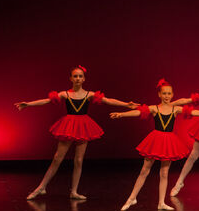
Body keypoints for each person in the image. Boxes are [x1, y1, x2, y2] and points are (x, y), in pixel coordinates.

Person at [14, 65, 138, 200]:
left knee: (79, 160)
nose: (78, 78)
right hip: (68, 125)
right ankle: (41, 187)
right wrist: (29, 104)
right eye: (75, 76)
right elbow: (46, 101)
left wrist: (126, 104)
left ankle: (74, 191)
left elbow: (108, 100)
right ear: (71, 79)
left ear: (84, 79)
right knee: (57, 158)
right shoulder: (65, 94)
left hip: (83, 126)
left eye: (80, 76)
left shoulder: (89, 94)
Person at [110, 79, 199, 211]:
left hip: (168, 142)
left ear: (172, 95)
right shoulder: (154, 108)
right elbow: (138, 112)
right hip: (155, 140)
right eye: (164, 94)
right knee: (144, 170)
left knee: (164, 172)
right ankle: (132, 198)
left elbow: (194, 112)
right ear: (159, 95)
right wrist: (121, 114)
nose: (167, 96)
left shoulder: (176, 109)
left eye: (169, 94)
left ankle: (161, 202)